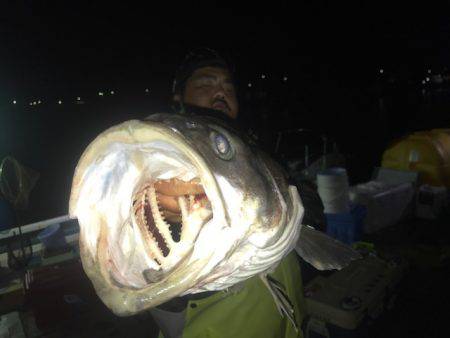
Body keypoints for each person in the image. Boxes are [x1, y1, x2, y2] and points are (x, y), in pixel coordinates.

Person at [149, 47, 306, 338]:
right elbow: (158, 292)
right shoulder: (166, 168)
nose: (220, 93)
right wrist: (172, 222)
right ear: (178, 97)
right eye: (206, 84)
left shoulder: (251, 149)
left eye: (227, 87)